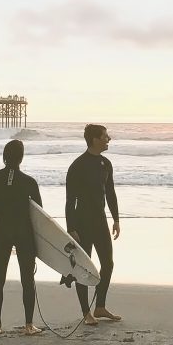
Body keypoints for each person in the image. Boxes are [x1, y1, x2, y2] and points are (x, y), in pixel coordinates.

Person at [0, 139, 42, 336]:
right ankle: (29, 325)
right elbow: (40, 217)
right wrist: (40, 244)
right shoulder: (29, 182)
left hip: (2, 233)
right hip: (24, 234)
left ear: (4, 156)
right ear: (21, 157)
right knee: (27, 279)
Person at [66, 124, 121, 326]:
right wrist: (71, 227)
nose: (109, 139)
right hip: (82, 222)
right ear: (95, 139)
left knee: (108, 263)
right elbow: (70, 200)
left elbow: (111, 193)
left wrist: (116, 219)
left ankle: (100, 306)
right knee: (83, 268)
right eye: (106, 136)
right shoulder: (77, 166)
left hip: (100, 220)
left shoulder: (106, 164)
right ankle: (85, 312)